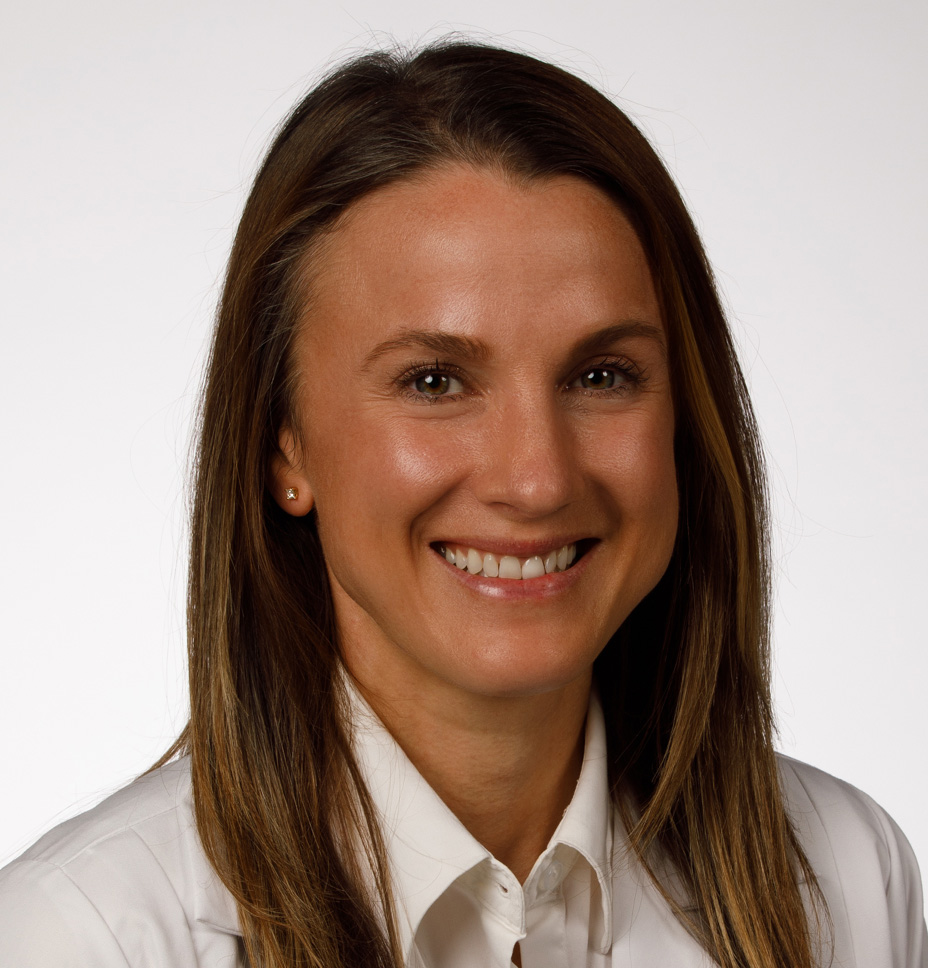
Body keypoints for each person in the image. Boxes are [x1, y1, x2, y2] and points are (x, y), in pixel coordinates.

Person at [0, 40, 924, 968]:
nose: (538, 479)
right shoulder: (87, 939)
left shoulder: (847, 885)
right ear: (284, 444)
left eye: (603, 375)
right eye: (435, 381)